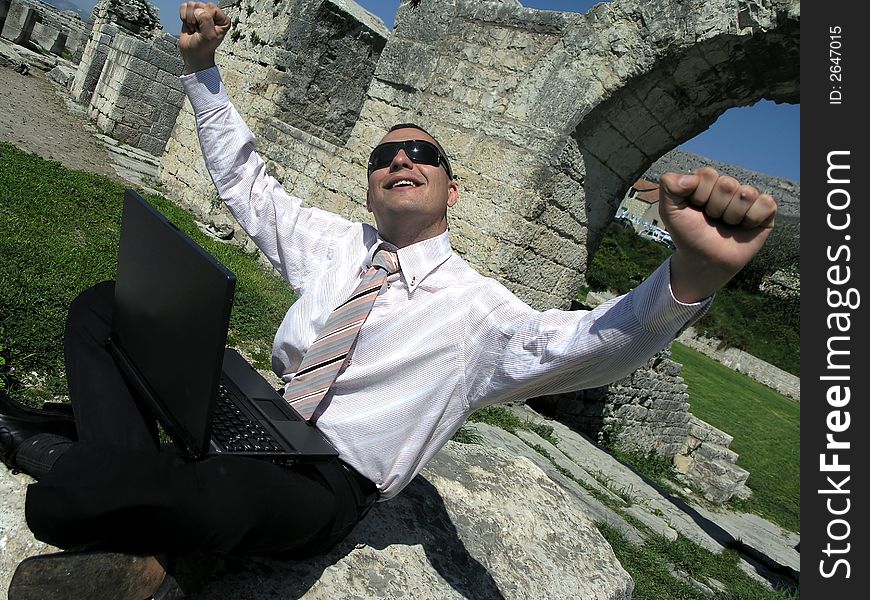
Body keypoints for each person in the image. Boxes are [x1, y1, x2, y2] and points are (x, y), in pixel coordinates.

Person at [0, 2, 777, 596]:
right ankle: (122, 494)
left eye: (422, 154)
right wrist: (203, 68)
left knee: (100, 492)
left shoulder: (481, 314)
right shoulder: (336, 245)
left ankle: (93, 486)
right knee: (105, 306)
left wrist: (692, 277)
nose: (400, 159)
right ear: (371, 183)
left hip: (322, 482)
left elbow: (597, 343)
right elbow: (245, 182)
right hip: (256, 413)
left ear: (451, 187)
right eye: (385, 154)